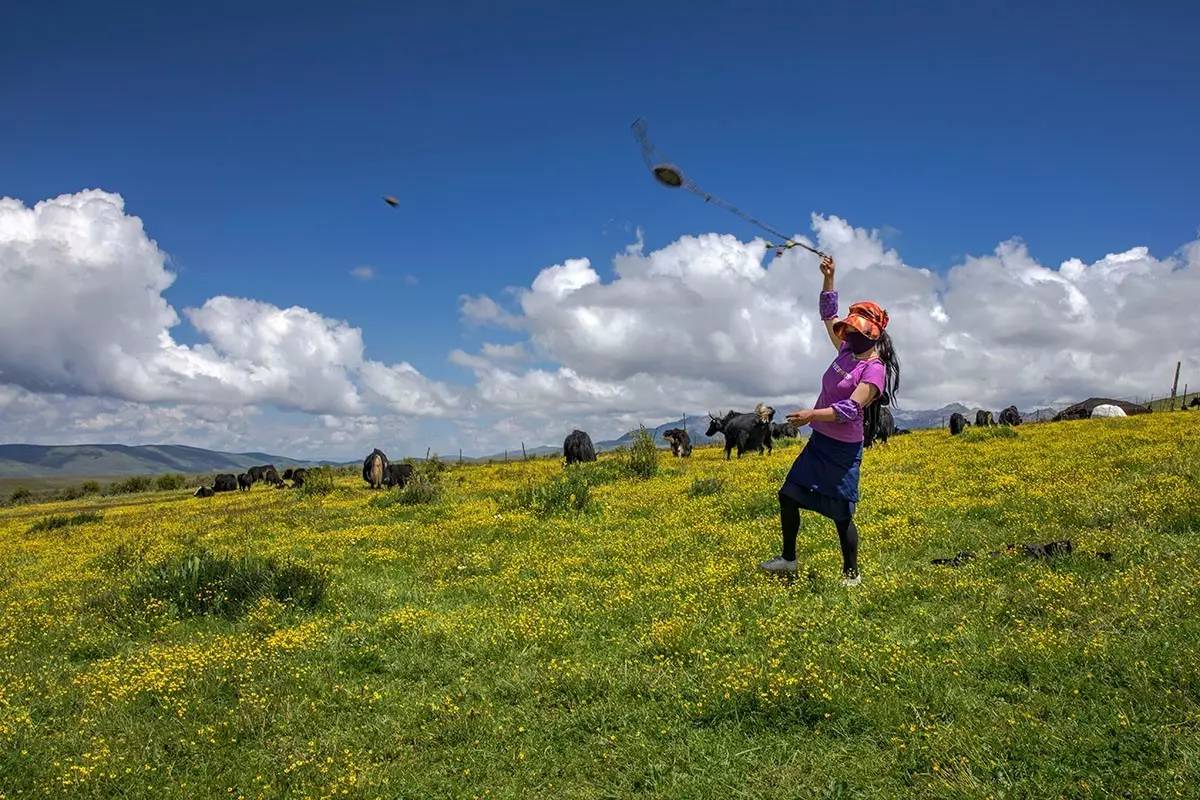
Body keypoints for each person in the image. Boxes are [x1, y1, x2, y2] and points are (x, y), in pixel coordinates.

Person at [758, 255, 900, 586]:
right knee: (788, 494)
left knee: (841, 515)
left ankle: (852, 574)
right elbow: (827, 314)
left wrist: (810, 415)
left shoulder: (873, 370)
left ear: (872, 335)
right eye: (848, 328)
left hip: (842, 450)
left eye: (854, 330)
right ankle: (789, 561)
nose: (847, 332)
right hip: (820, 442)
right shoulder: (846, 351)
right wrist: (830, 277)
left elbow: (850, 409)